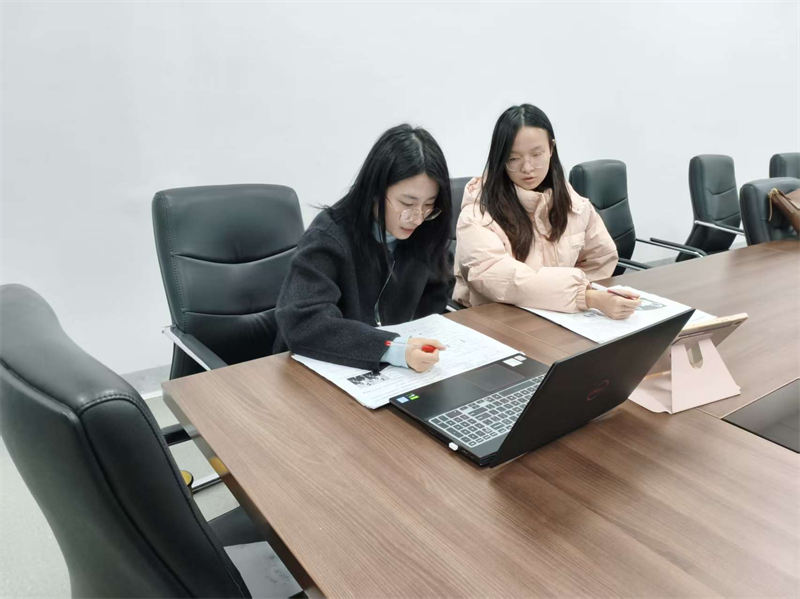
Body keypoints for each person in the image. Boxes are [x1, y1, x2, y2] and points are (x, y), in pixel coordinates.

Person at [274, 124, 453, 372]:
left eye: (428, 205)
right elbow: (304, 322)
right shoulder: (329, 236)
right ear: (375, 191)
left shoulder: (425, 231)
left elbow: (437, 294)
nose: (417, 218)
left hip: (393, 371)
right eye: (407, 203)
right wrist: (393, 348)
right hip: (314, 368)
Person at [453, 104, 640, 319]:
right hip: (499, 322)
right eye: (513, 158)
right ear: (500, 159)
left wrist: (581, 296)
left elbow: (601, 257)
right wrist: (582, 295)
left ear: (551, 148)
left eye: (536, 154)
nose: (527, 167)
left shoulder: (572, 203)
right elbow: (498, 277)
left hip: (561, 317)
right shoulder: (477, 213)